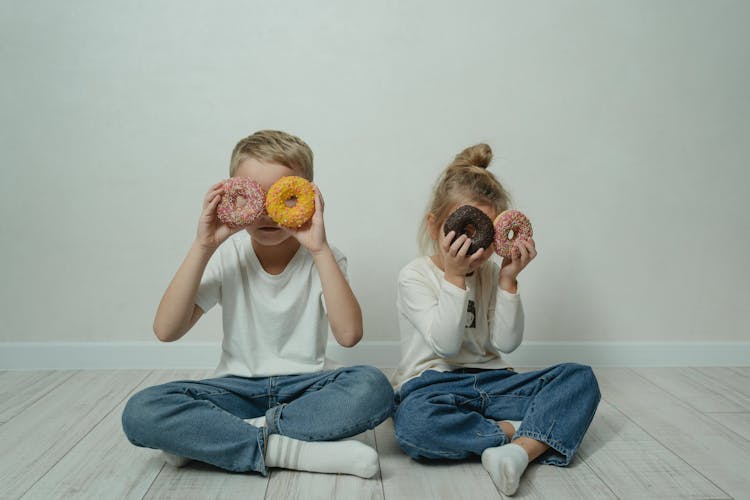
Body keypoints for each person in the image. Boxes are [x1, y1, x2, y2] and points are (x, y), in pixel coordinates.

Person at [122, 130, 393, 478]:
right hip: (235, 388)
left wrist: (320, 249)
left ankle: (216, 438)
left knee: (374, 387)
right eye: (255, 197)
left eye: (283, 197)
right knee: (142, 410)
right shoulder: (228, 256)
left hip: (306, 387)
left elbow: (349, 335)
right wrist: (203, 245)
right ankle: (285, 449)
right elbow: (166, 330)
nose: (267, 212)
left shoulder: (324, 256)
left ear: (308, 196)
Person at [391, 143, 600, 496]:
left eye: (485, 235)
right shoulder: (414, 276)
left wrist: (508, 281)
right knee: (414, 427)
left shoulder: (491, 273)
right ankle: (522, 429)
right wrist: (455, 278)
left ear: (499, 234)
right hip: (431, 387)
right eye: (463, 231)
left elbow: (506, 343)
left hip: (495, 382)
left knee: (579, 378)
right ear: (434, 225)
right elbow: (445, 344)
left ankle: (517, 455)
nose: (474, 246)